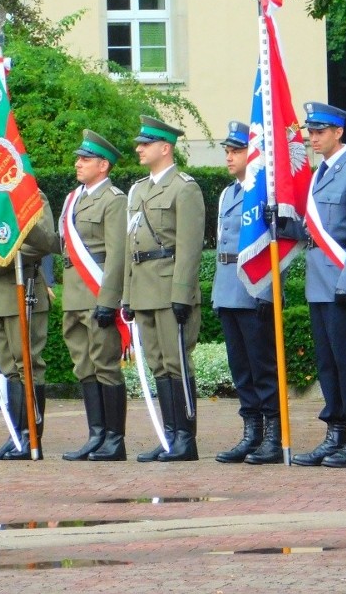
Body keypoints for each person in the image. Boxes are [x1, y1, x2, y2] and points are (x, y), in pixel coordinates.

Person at [292, 103, 346, 468]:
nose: (313, 138)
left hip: (341, 281)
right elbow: (315, 231)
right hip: (318, 283)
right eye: (311, 132)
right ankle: (335, 433)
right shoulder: (320, 173)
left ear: (339, 132)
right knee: (327, 363)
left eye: (320, 131)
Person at [123, 115, 205, 463]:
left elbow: (189, 247)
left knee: (176, 364)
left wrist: (181, 295)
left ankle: (185, 437)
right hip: (143, 289)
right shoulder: (138, 189)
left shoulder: (184, 188)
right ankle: (169, 435)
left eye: (146, 143)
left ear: (165, 148)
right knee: (158, 365)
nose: (139, 149)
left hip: (169, 286)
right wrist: (126, 296)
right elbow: (130, 246)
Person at [210, 122, 283, 464]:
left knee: (261, 366)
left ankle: (272, 434)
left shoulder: (265, 192)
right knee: (241, 368)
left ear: (252, 154)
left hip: (254, 289)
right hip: (228, 287)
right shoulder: (228, 193)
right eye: (227, 151)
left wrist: (266, 293)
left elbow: (272, 248)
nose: (229, 157)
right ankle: (251, 432)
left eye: (236, 151)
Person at [59, 130, 128, 462]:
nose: (78, 164)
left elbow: (117, 255)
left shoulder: (114, 200)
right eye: (78, 158)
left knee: (105, 365)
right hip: (74, 295)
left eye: (85, 160)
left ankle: (114, 438)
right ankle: (96, 434)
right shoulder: (74, 198)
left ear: (103, 165)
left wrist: (109, 300)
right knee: (83, 365)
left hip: (97, 291)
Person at [0, 191, 58, 461]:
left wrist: (3, 260)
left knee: (27, 366)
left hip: (21, 290)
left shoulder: (30, 195)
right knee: (10, 370)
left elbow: (45, 242)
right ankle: (16, 434)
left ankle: (30, 435)